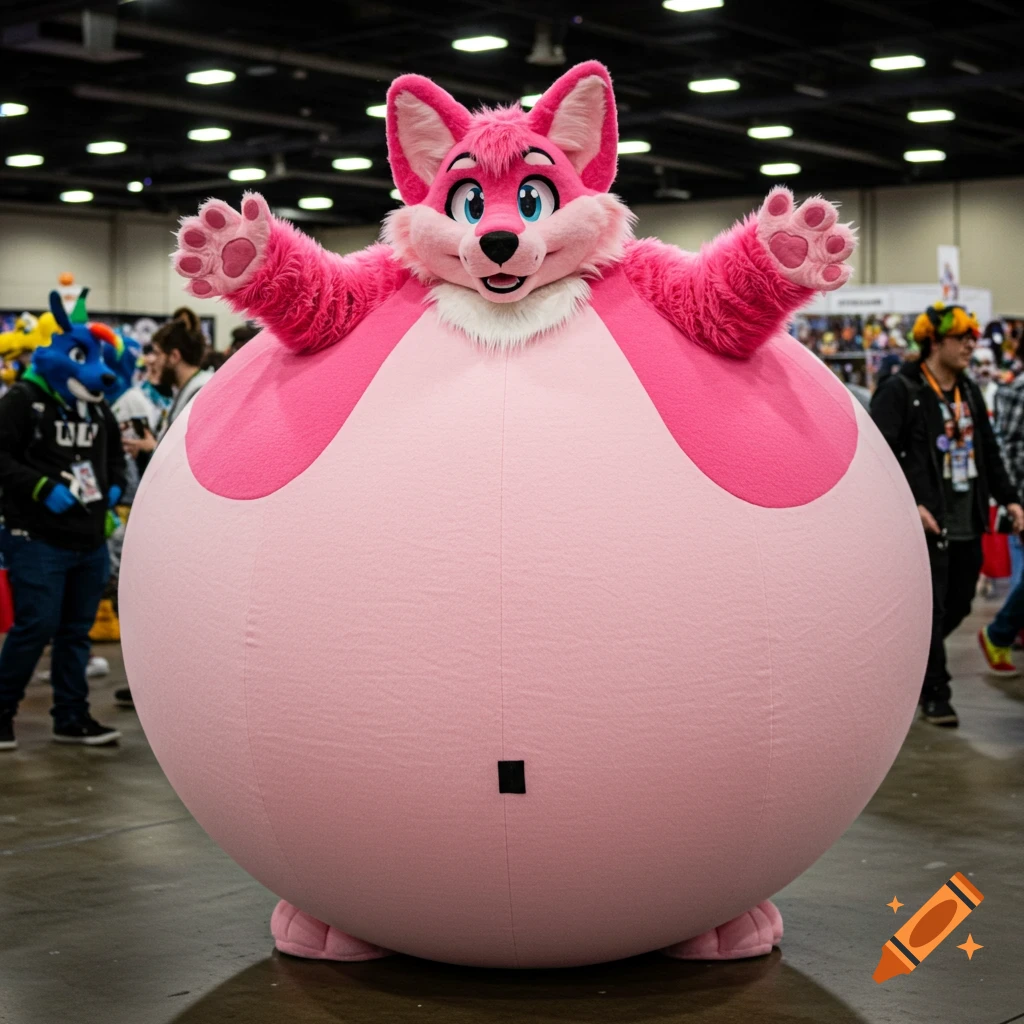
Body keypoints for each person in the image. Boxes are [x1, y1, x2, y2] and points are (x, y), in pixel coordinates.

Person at [871, 302, 1024, 728]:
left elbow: (989, 451)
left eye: (973, 338)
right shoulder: (901, 389)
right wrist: (909, 505)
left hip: (967, 520)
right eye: (961, 338)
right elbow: (878, 456)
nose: (971, 346)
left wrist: (1010, 500)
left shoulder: (968, 390)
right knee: (933, 609)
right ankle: (936, 692)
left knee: (960, 602)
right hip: (924, 523)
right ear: (934, 342)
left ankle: (909, 665)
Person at [0, 290, 125, 749]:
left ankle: (71, 716)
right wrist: (39, 486)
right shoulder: (23, 400)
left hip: (88, 539)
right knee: (36, 626)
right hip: (36, 538)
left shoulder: (97, 406)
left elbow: (113, 458)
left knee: (76, 632)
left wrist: (113, 489)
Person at [115, 318, 211, 711]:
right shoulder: (188, 393)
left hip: (198, 531)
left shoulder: (202, 392)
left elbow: (198, 459)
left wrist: (153, 451)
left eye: (154, 353)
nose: (148, 362)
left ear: (174, 355)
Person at [978, 357, 1024, 674]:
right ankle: (1000, 633)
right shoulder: (1015, 392)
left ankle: (1001, 633)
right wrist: (1014, 501)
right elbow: (1006, 448)